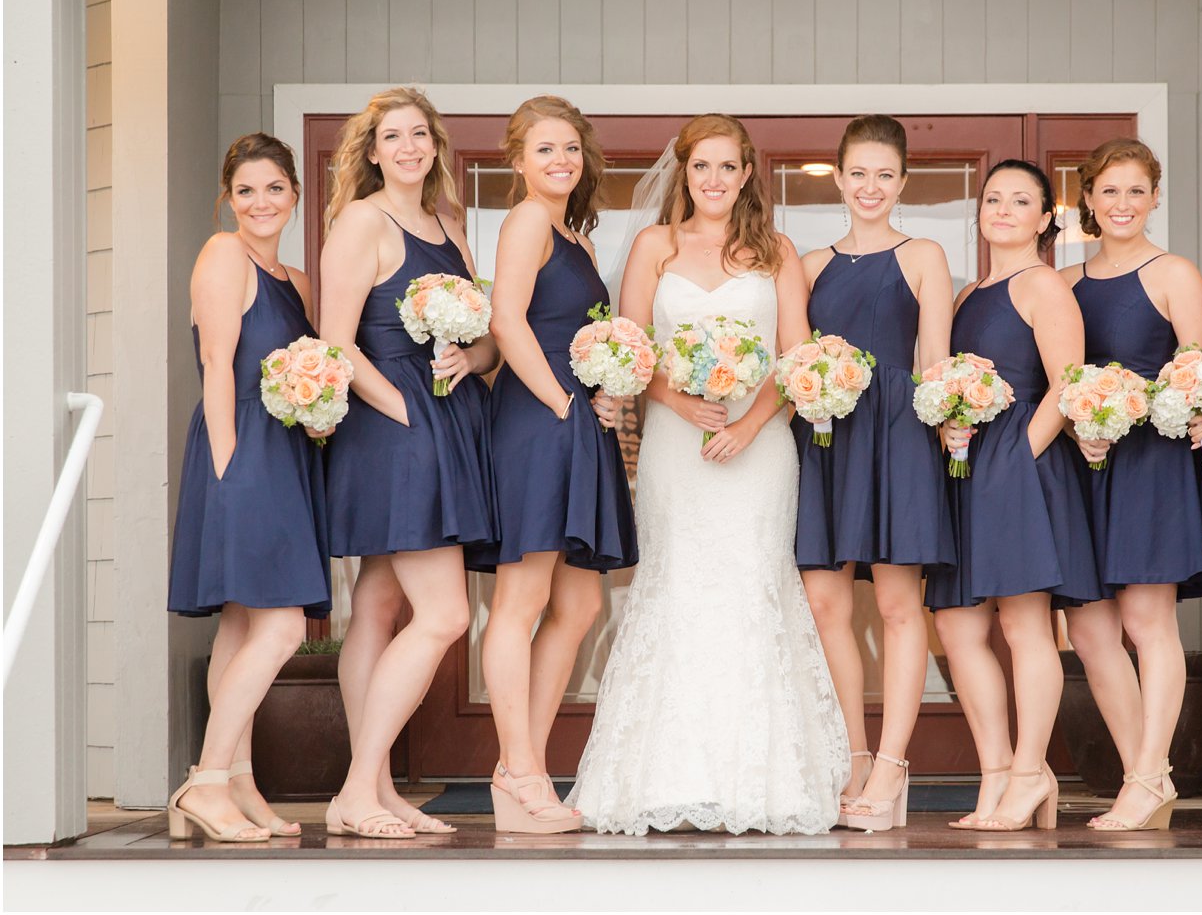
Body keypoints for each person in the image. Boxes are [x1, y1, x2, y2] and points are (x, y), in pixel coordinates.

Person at [567, 114, 848, 835]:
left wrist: (752, 424)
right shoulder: (655, 247)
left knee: (754, 589)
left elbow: (798, 358)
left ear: (747, 173)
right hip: (675, 446)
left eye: (728, 167)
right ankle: (668, 776)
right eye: (702, 168)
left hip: (760, 450)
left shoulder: (775, 251)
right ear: (684, 172)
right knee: (681, 587)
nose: (715, 181)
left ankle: (767, 781)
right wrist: (681, 402)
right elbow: (631, 351)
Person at [320, 87, 497, 838]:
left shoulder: (450, 225)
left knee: (381, 606)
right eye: (392, 137)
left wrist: (473, 352)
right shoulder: (363, 221)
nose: (408, 147)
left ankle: (380, 788)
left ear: (435, 145)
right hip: (396, 423)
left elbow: (486, 342)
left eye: (419, 134)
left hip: (447, 414)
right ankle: (358, 789)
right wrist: (401, 412)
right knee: (447, 613)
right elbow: (336, 341)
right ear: (371, 151)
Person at [470, 96, 637, 833]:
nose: (560, 161)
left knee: (580, 605)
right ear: (518, 161)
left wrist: (602, 395)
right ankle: (520, 775)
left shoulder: (579, 238)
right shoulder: (527, 220)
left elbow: (577, 335)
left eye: (570, 149)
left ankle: (525, 767)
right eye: (544, 150)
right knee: (522, 599)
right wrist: (566, 405)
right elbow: (506, 319)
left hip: (574, 422)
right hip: (538, 424)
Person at [166, 133, 331, 842]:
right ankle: (204, 783)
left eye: (273, 188)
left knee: (240, 623)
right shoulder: (223, 254)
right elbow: (216, 363)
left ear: (294, 194)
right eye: (246, 191)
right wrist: (229, 474)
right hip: (244, 450)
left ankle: (239, 784)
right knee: (283, 623)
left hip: (288, 452)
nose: (260, 202)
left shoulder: (296, 278)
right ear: (228, 200)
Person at [928, 160, 1101, 832]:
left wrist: (1015, 459)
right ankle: (996, 771)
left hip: (1021, 462)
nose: (1002, 209)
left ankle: (1030, 773)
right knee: (957, 625)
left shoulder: (1043, 287)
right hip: (967, 465)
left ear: (1045, 218)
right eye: (993, 198)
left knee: (1024, 625)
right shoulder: (972, 292)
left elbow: (1068, 384)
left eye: (1020, 200)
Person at [795, 115, 955, 830]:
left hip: (897, 433)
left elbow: (935, 364)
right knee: (826, 604)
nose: (870, 187)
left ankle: (892, 768)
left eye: (884, 174)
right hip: (826, 437)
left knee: (897, 607)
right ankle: (852, 757)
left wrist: (948, 420)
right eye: (857, 173)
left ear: (902, 181)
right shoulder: (807, 265)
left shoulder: (924, 253)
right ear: (837, 177)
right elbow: (792, 366)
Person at [1059, 137, 1202, 832]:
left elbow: (1201, 380)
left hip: (1153, 465)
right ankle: (1142, 779)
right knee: (1090, 629)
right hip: (1084, 465)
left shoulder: (1174, 274)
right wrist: (1079, 429)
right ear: (1087, 201)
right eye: (1108, 191)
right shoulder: (1063, 283)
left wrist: (1157, 405)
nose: (1122, 204)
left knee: (1147, 621)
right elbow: (1056, 382)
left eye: (1135, 191)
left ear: (1154, 198)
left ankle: (1151, 773)